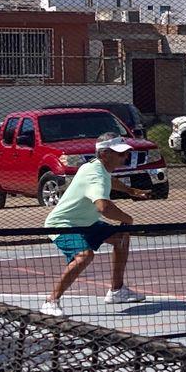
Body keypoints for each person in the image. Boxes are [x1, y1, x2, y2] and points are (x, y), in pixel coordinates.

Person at [42, 135, 152, 317]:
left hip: (86, 222)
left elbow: (109, 181)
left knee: (121, 238)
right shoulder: (95, 174)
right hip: (62, 225)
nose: (124, 157)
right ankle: (51, 301)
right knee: (84, 256)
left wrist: (131, 191)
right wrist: (128, 218)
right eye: (120, 153)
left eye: (125, 153)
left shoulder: (96, 167)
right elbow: (104, 207)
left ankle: (117, 291)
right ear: (104, 154)